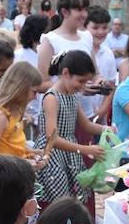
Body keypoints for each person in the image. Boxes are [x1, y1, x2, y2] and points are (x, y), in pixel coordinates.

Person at [36, 51, 106, 203]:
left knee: (73, 198)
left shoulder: (72, 95)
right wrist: (86, 149)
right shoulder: (51, 98)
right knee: (58, 199)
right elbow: (52, 138)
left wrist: (105, 130)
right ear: (66, 73)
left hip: (70, 151)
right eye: (80, 81)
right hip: (52, 155)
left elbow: (85, 124)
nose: (82, 87)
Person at [0, 63, 44, 161]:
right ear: (21, 88)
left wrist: (33, 152)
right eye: (34, 91)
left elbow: (15, 144)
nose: (35, 97)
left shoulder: (17, 112)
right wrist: (23, 162)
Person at [36, 0, 90, 81]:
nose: (84, 15)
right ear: (65, 12)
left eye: (86, 10)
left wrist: (98, 81)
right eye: (79, 10)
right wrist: (74, 86)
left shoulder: (87, 37)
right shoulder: (50, 41)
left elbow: (94, 73)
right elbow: (42, 83)